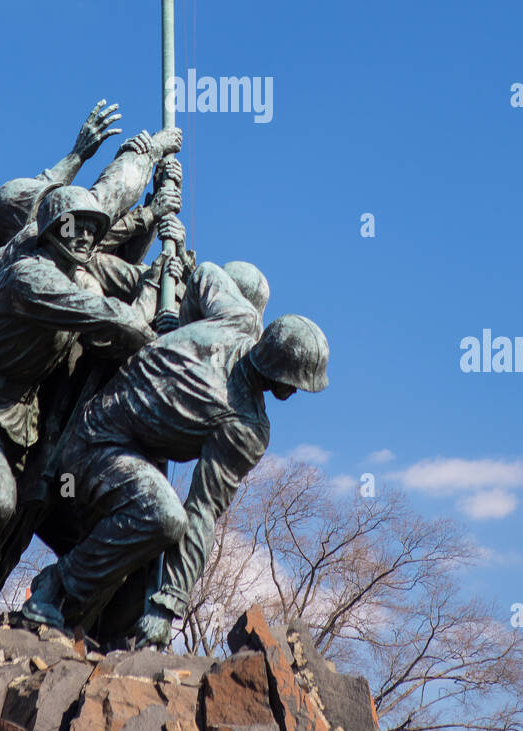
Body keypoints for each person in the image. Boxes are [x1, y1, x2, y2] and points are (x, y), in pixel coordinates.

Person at [0, 127, 182, 643]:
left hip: (20, 430)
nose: (88, 237)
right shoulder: (34, 278)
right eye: (75, 228)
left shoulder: (53, 257)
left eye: (92, 228)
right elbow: (111, 319)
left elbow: (105, 245)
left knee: (66, 521)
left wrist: (156, 213)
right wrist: (158, 294)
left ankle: (77, 618)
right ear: (50, 231)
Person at [22, 261, 328, 645]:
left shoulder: (239, 317)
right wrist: (168, 605)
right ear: (283, 378)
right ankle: (55, 586)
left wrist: (181, 328)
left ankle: (103, 628)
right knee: (164, 517)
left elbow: (204, 274)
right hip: (93, 444)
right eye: (298, 384)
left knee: (153, 535)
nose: (297, 392)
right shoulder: (245, 426)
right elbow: (201, 511)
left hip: (118, 444)